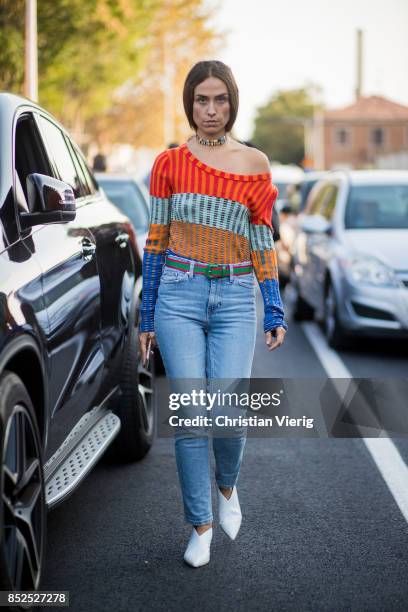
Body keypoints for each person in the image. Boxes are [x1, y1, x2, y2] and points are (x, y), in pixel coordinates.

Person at [138, 60, 288, 568]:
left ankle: (227, 487)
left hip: (235, 296)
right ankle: (199, 527)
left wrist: (274, 306)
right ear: (189, 103)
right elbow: (155, 239)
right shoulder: (168, 162)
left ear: (232, 102)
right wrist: (146, 316)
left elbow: (261, 238)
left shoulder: (254, 163)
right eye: (201, 100)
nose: (210, 109)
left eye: (219, 99)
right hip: (178, 294)